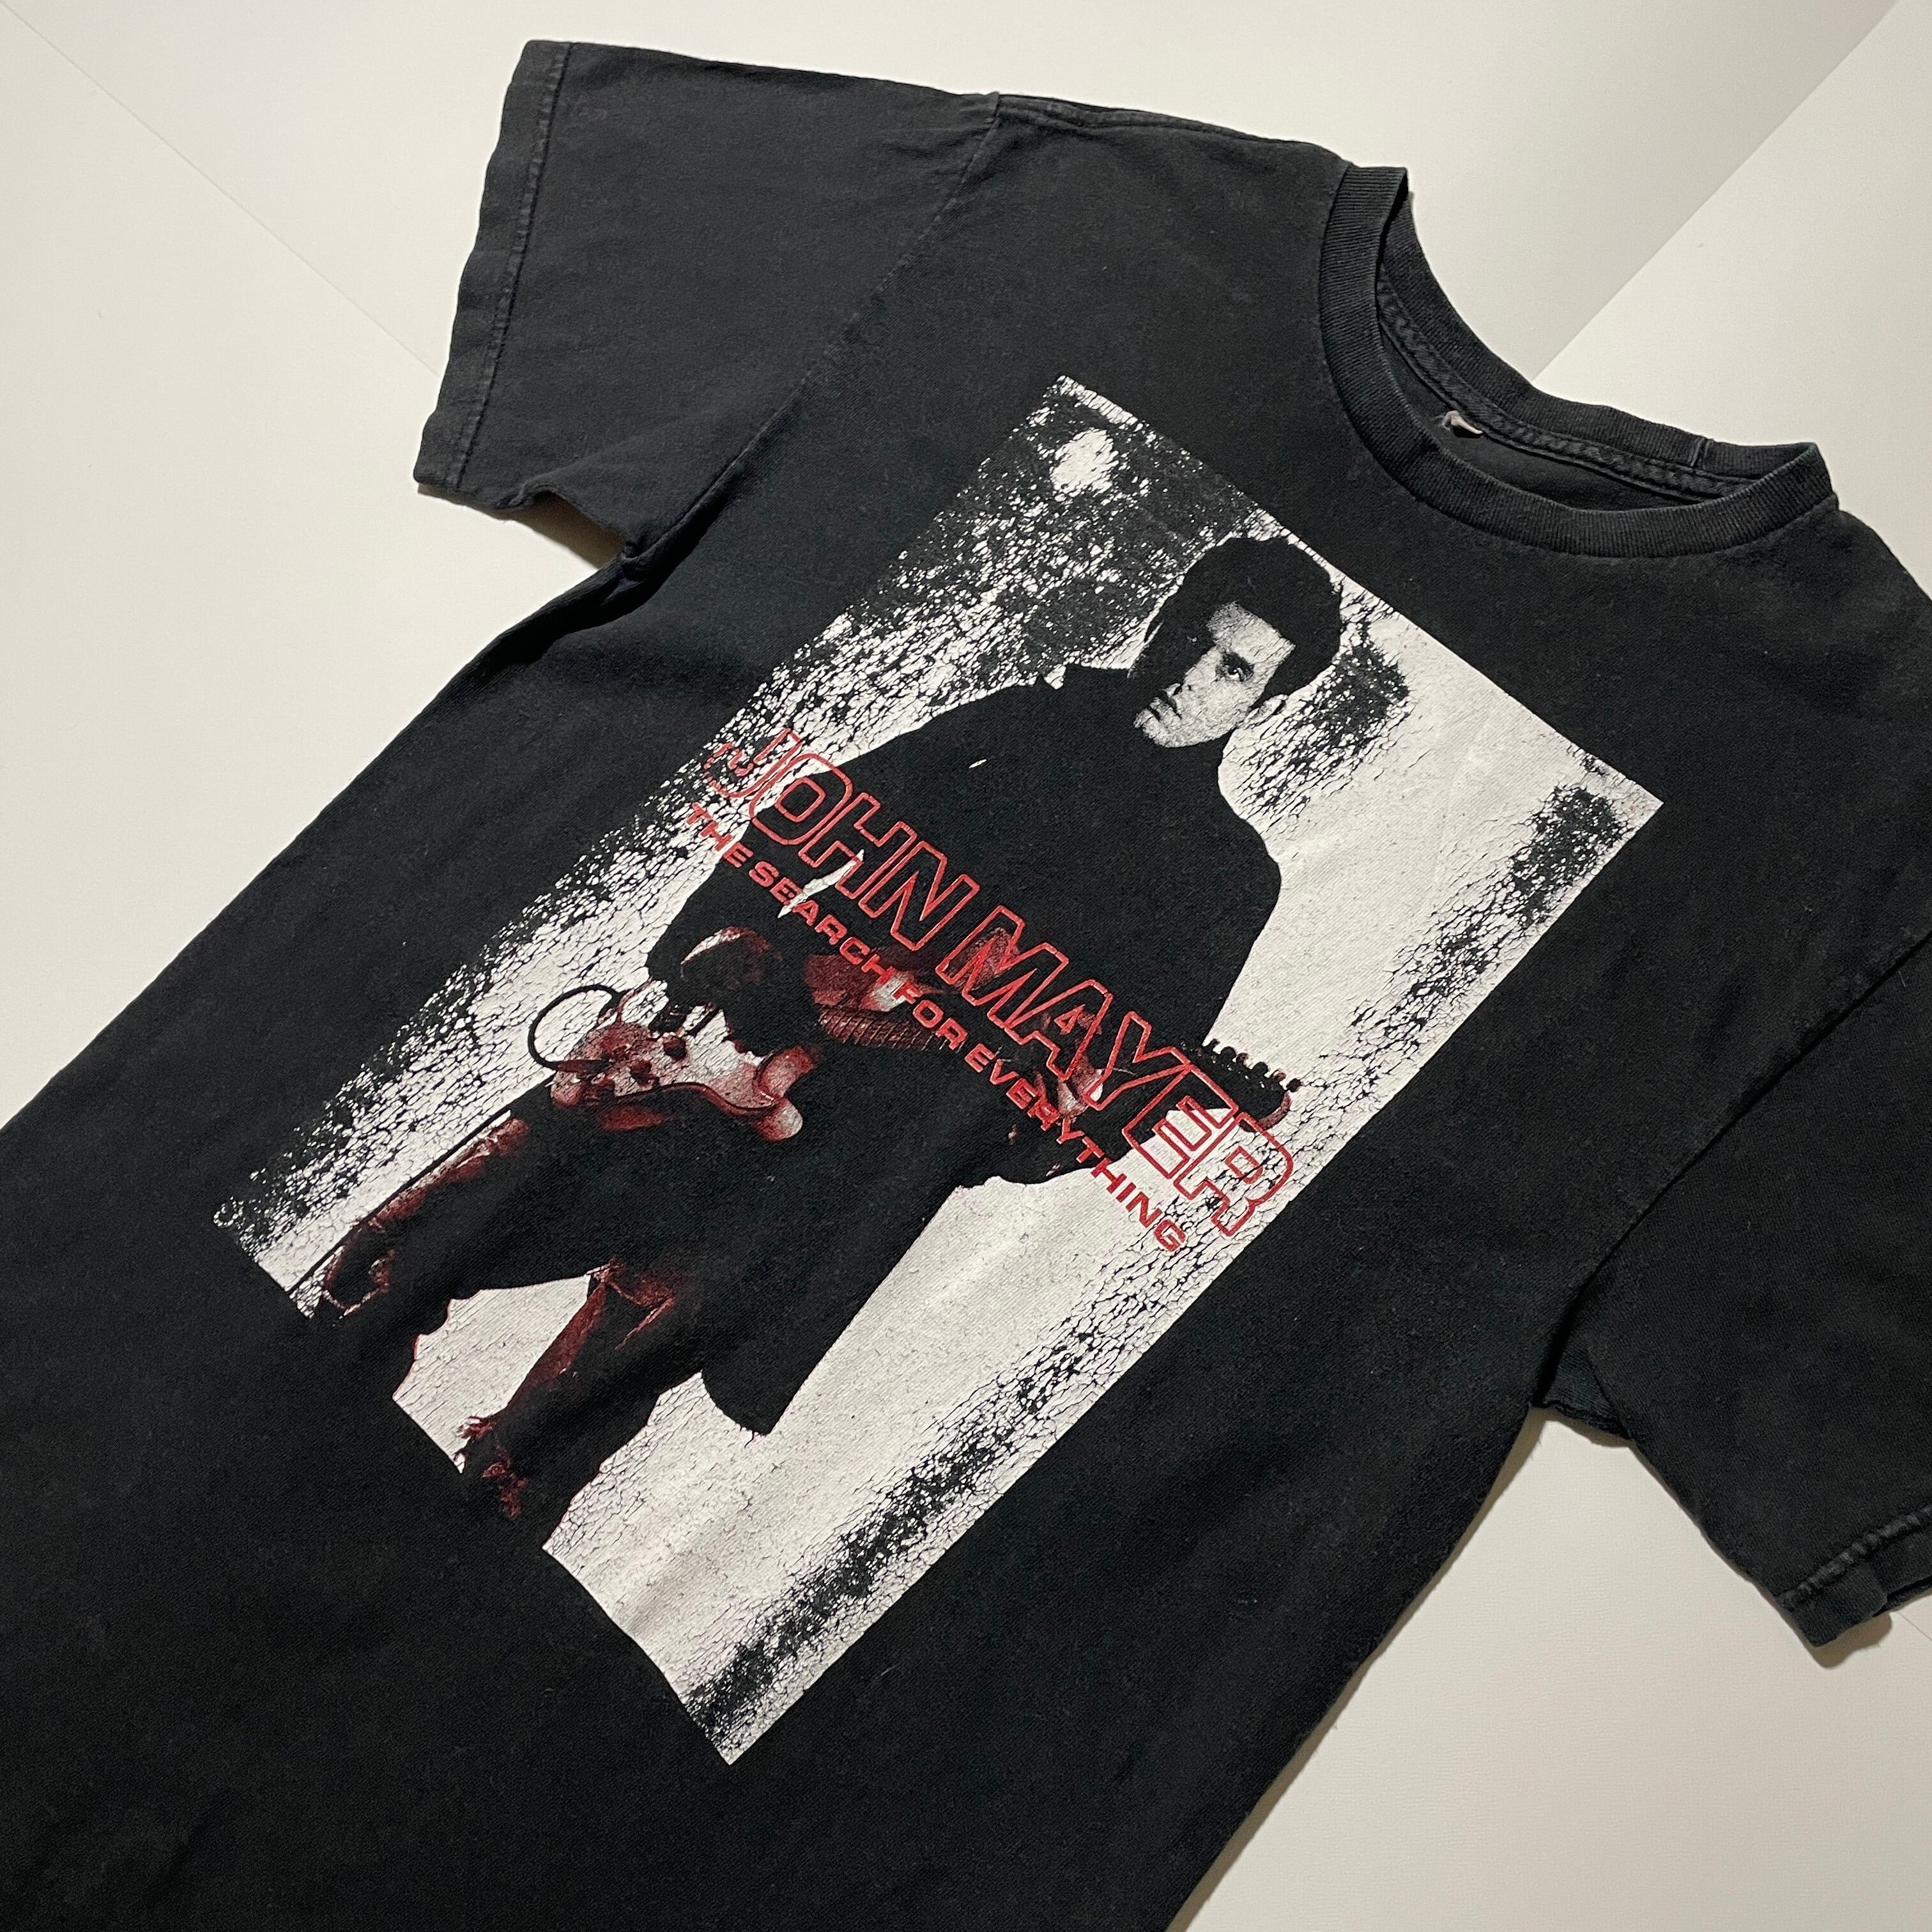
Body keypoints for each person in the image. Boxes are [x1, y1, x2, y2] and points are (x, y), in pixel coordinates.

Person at [312, 535, 1342, 1537]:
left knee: (573, 1419)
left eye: (1234, 668)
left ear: (1268, 700)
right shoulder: (1025, 721)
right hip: (741, 1035)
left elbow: (1093, 1110)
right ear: (1162, 619)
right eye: (1192, 636)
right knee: (440, 1242)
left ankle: (482, 1518)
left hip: (848, 1167)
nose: (1192, 675)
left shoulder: (1223, 882)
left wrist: (1059, 1123)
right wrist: (718, 944)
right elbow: (807, 818)